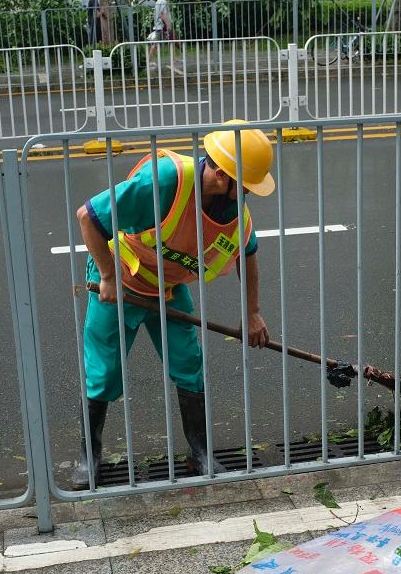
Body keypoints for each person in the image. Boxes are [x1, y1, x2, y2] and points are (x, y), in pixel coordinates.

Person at [71, 121, 274, 489]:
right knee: (103, 370)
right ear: (222, 175)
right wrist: (109, 276)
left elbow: (248, 255)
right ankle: (89, 456)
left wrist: (252, 312)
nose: (248, 192)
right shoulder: (165, 181)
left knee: (187, 361)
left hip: (167, 288)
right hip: (122, 281)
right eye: (245, 184)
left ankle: (200, 452)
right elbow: (89, 216)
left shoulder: (233, 212)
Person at [148, 0, 178, 71]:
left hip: (162, 26)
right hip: (162, 26)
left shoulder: (160, 1)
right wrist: (168, 25)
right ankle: (149, 62)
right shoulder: (162, 2)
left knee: (172, 41)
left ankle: (174, 59)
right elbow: (163, 14)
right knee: (156, 44)